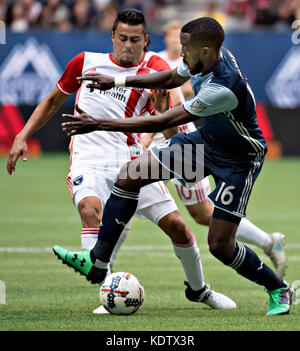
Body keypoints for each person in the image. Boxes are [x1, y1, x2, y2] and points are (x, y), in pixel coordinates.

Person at [56, 16, 295, 316]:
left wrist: (99, 123)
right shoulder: (202, 59)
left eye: (185, 48)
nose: (180, 54)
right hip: (206, 144)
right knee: (131, 175)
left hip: (239, 160)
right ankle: (98, 260)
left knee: (220, 245)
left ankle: (278, 288)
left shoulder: (222, 87)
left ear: (206, 51)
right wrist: (117, 79)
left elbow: (163, 120)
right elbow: (170, 78)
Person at [7, 9, 236, 313]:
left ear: (146, 41)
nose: (128, 45)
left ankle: (200, 290)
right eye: (123, 38)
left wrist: (161, 107)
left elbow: (168, 128)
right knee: (91, 211)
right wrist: (22, 135)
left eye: (135, 39)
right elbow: (51, 101)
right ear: (112, 37)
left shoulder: (156, 69)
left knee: (178, 227)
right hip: (87, 158)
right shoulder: (85, 62)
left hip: (129, 159)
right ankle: (109, 292)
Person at [141, 19, 286, 277]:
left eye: (182, 39)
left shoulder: (195, 67)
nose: (178, 44)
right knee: (131, 183)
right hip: (174, 138)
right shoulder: (158, 61)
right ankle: (102, 264)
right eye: (174, 37)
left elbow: (172, 106)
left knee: (205, 215)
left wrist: (148, 136)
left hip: (184, 138)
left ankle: (265, 242)